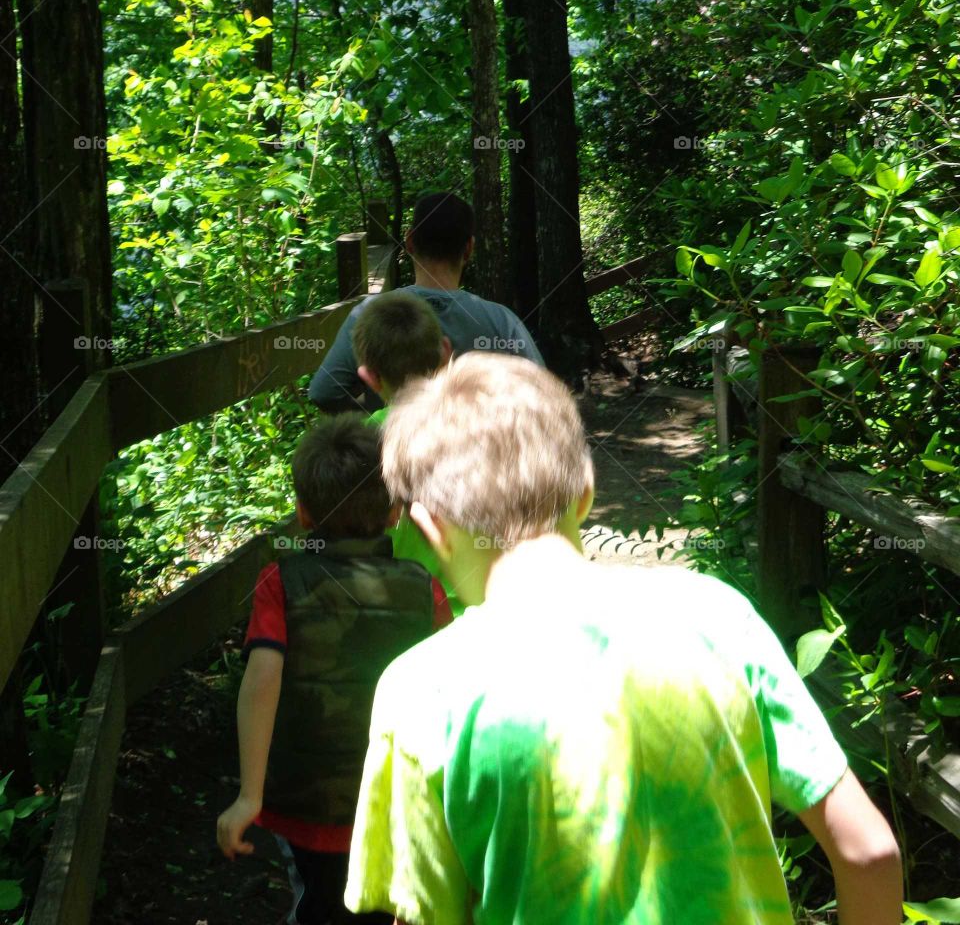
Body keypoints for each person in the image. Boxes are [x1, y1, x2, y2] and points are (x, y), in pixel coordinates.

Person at [344, 354, 903, 925]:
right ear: (585, 490)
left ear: (428, 527)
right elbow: (869, 852)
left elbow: (424, 912)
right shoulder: (715, 613)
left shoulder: (420, 691)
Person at [216, 415, 450, 925]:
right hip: (392, 803)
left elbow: (261, 682)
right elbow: (447, 694)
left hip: (305, 805)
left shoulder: (280, 583)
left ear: (303, 513)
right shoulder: (423, 589)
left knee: (317, 904)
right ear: (394, 512)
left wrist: (250, 795)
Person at [308, 191, 542, 411]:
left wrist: (382, 419)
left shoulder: (370, 315)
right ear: (469, 249)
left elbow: (324, 392)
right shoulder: (502, 322)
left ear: (410, 241)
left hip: (395, 441)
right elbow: (542, 396)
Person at [352, 290, 464, 616]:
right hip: (478, 604)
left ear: (370, 377)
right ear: (445, 351)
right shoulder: (477, 421)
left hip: (404, 612)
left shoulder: (367, 439)